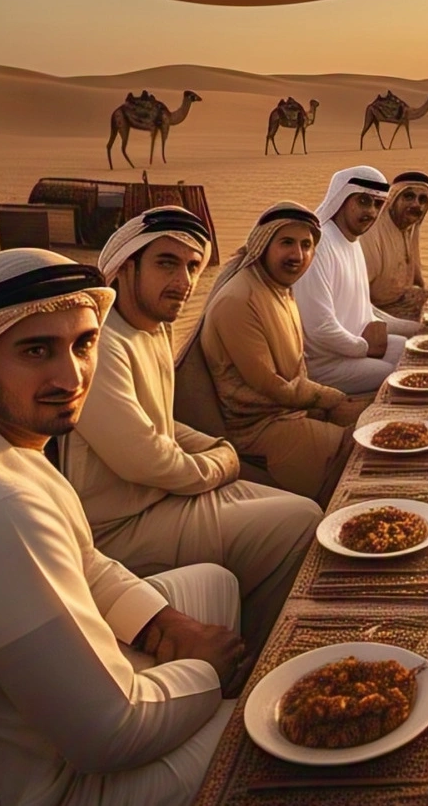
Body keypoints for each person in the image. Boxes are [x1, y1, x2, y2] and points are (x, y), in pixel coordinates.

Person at [0, 249, 246, 806]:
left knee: (213, 586)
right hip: (28, 784)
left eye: (83, 344)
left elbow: (83, 559)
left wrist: (162, 625)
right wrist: (208, 672)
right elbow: (111, 731)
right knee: (251, 734)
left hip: (26, 722)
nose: (70, 375)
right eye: (36, 350)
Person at [66, 206, 320, 658]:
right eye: (166, 263)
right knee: (299, 525)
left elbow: (163, 424)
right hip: (120, 525)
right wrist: (220, 464)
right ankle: (260, 659)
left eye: (191, 267)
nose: (183, 281)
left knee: (304, 508)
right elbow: (144, 458)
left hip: (166, 496)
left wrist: (215, 450)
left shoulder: (152, 328)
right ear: (125, 268)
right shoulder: (102, 342)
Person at [197, 202, 366, 504]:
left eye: (306, 245)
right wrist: (336, 399)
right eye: (287, 243)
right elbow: (275, 387)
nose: (297, 256)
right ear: (263, 245)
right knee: (360, 450)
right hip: (259, 428)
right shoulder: (239, 299)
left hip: (292, 411)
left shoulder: (278, 289)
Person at [296, 167, 422, 394]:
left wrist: (418, 329)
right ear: (341, 198)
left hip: (355, 348)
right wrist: (364, 348)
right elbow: (320, 329)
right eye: (363, 201)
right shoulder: (319, 245)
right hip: (325, 363)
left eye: (377, 204)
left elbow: (365, 310)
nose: (372, 212)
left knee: (415, 351)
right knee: (398, 376)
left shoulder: (352, 241)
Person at [360, 172, 428, 320]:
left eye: (423, 200)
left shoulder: (409, 228)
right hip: (372, 311)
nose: (416, 205)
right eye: (408, 196)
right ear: (393, 199)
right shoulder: (372, 233)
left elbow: (418, 281)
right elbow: (355, 299)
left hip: (400, 302)